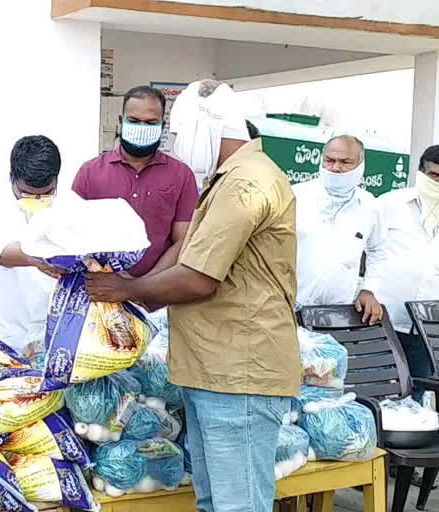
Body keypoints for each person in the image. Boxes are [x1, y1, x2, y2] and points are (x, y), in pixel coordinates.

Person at [86, 80, 299, 512]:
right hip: (214, 370)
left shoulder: (245, 184)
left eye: (178, 135)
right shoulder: (229, 180)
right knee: (212, 502)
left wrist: (126, 289)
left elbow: (200, 277)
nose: (176, 146)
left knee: (236, 505)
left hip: (238, 373)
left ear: (207, 127)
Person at [72, 85, 199, 277]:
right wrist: (110, 275)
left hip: (157, 296)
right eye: (134, 120)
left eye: (150, 123)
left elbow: (183, 240)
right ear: (121, 121)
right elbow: (73, 234)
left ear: (162, 126)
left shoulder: (181, 175)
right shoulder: (90, 172)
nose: (142, 127)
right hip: (100, 291)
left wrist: (146, 284)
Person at [0, 135, 63, 354]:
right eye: (27, 193)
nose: (37, 199)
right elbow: (1, 254)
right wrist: (38, 260)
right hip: (2, 336)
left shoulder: (68, 209)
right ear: (11, 179)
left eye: (46, 193)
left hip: (48, 337)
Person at [293, 135, 386, 323]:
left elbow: (378, 250)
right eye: (329, 160)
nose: (335, 168)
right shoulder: (295, 196)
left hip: (337, 314)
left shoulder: (369, 205)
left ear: (360, 165)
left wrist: (369, 289)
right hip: (289, 309)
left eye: (345, 162)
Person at [375, 145, 439, 396]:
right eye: (434, 176)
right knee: (382, 391)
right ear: (420, 174)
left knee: (420, 393)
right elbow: (367, 251)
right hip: (385, 320)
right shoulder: (389, 204)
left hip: (430, 329)